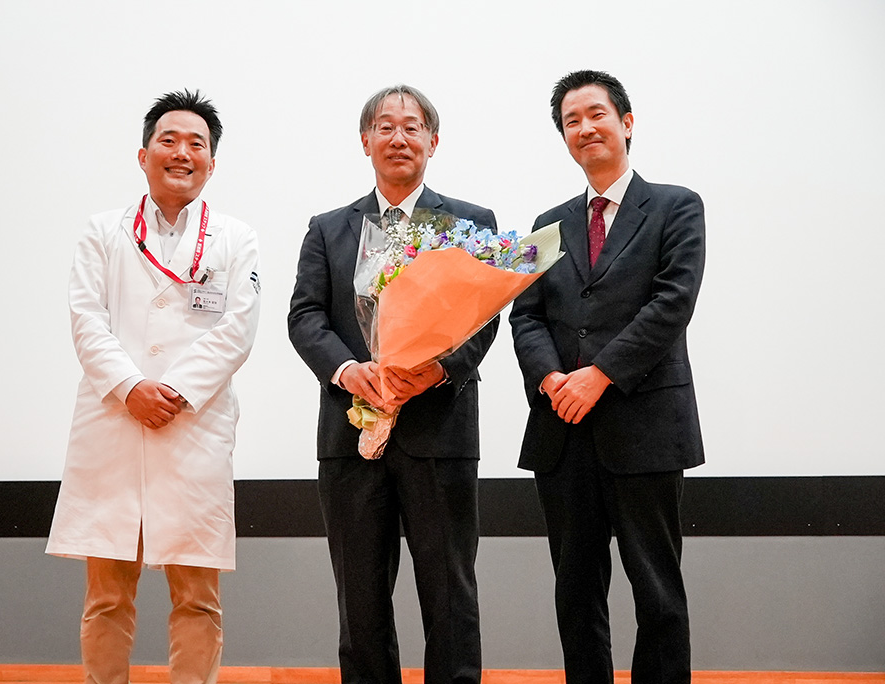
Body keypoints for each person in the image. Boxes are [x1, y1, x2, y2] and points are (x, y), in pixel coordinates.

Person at [46, 89, 261, 684]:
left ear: (212, 163)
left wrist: (176, 392)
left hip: (193, 428)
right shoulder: (102, 232)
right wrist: (130, 387)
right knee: (107, 597)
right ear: (143, 155)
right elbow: (86, 319)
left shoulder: (235, 237)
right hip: (113, 424)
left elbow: (238, 329)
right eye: (169, 140)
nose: (182, 153)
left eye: (197, 144)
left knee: (198, 599)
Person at [287, 85, 497, 684]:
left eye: (412, 127)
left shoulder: (470, 223)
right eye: (385, 127)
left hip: (440, 433)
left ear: (433, 140)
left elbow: (485, 315)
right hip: (351, 439)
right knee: (360, 602)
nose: (398, 138)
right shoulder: (328, 228)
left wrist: (439, 368)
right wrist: (348, 370)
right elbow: (305, 316)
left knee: (450, 597)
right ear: (365, 142)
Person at [510, 70, 705, 684]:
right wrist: (551, 379)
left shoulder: (676, 206)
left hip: (646, 425)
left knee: (657, 592)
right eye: (572, 121)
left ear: (626, 122)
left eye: (596, 114)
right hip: (563, 429)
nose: (585, 128)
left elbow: (672, 303)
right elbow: (525, 314)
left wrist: (599, 375)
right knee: (576, 592)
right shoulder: (546, 224)